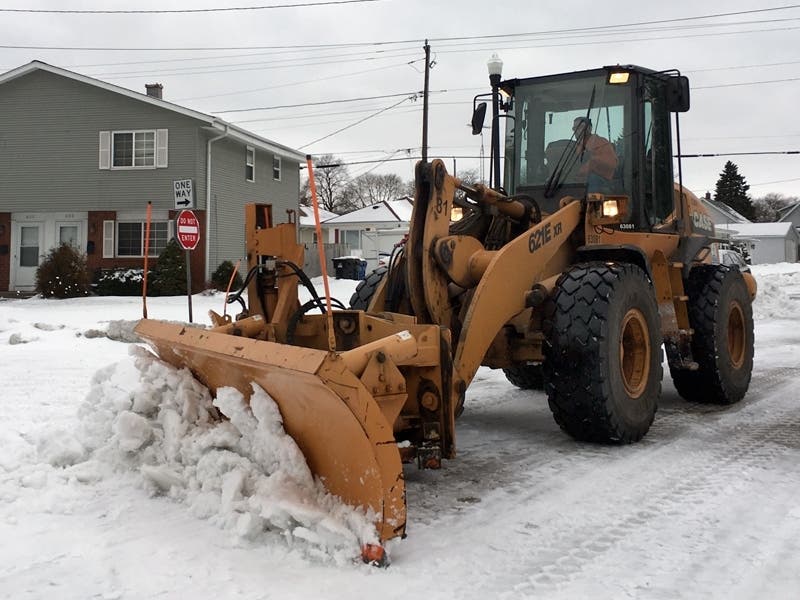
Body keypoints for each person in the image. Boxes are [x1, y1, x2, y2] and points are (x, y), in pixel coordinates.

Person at [572, 117, 618, 193]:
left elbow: (612, 163)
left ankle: (592, 203)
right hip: (577, 180)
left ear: (589, 128)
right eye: (574, 128)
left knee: (592, 179)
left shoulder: (601, 142)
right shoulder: (574, 147)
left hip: (600, 181)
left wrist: (592, 159)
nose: (576, 131)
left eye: (580, 127)